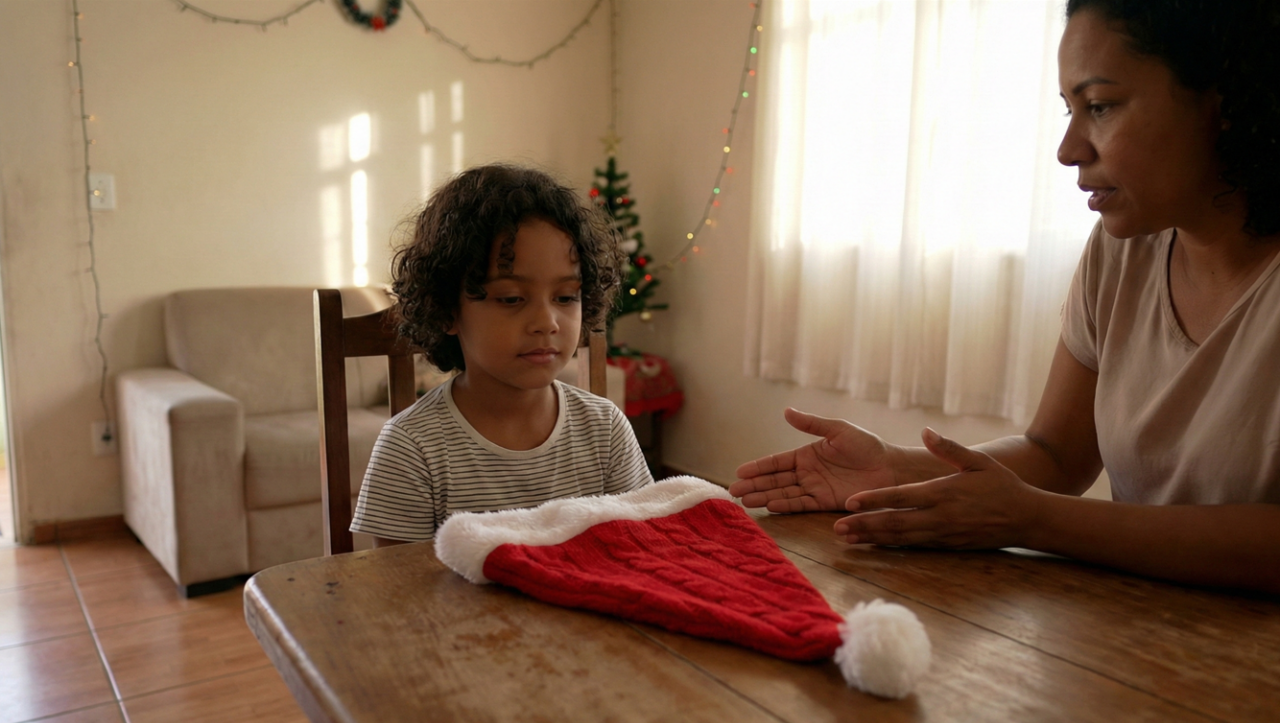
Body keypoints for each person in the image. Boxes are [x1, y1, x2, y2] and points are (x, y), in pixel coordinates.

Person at [730, 0, 1280, 595]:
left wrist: (1037, 520)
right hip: (1139, 632)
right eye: (1068, 111)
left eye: (1099, 107)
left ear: (1224, 99)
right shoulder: (1123, 249)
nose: (1069, 150)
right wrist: (897, 469)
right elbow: (1055, 454)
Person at [351, 164, 653, 546]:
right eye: (511, 298)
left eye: (565, 297)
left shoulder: (605, 430)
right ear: (447, 310)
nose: (547, 322)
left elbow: (640, 548)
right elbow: (400, 591)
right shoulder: (412, 447)